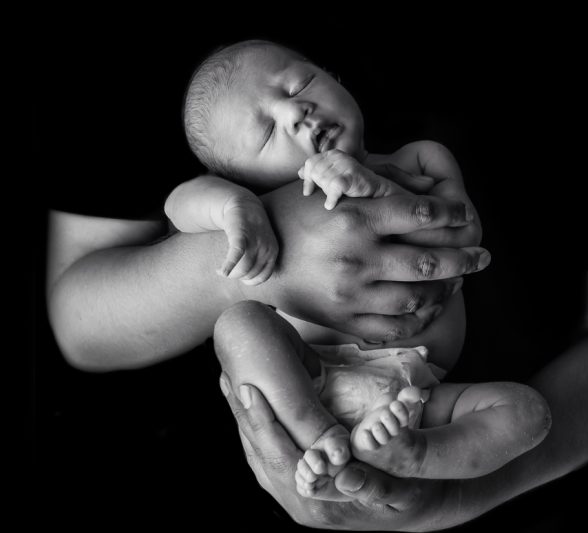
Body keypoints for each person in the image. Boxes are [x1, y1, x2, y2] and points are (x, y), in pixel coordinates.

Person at [166, 39, 550, 496]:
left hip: (419, 390)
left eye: (300, 83)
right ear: (246, 178)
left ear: (335, 77)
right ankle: (320, 437)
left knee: (528, 413)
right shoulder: (266, 205)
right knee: (238, 324)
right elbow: (178, 204)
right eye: (267, 132)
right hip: (309, 375)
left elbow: (464, 238)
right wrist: (236, 207)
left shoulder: (421, 159)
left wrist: (376, 187)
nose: (295, 112)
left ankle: (417, 454)